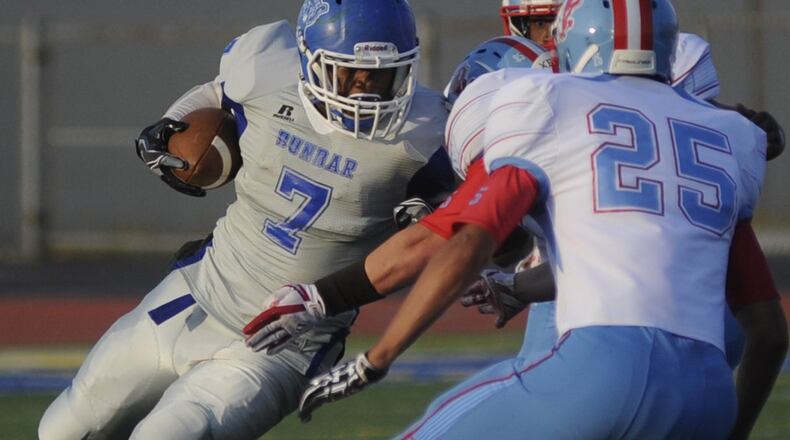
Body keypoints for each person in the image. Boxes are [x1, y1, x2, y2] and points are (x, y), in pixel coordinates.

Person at [286, 1, 771, 438]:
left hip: (601, 370)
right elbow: (768, 331)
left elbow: (467, 244)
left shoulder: (549, 102)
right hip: (708, 392)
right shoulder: (727, 136)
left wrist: (377, 357)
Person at [37, 1, 452, 439]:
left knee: (167, 434)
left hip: (286, 343)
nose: (365, 91)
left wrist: (461, 239)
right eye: (349, 72)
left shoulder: (429, 135)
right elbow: (218, 93)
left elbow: (471, 225)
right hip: (199, 292)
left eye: (383, 75)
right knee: (64, 428)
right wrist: (172, 125)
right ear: (308, 60)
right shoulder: (268, 70)